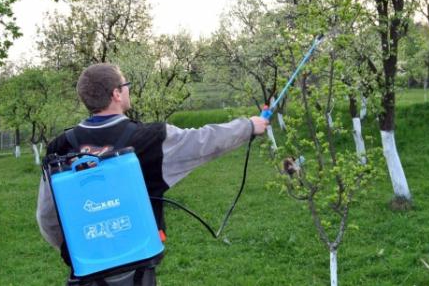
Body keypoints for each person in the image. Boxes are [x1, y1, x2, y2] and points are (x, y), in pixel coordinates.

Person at [36, 63, 268, 285]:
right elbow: (204, 141)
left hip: (86, 269)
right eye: (126, 85)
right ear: (116, 94)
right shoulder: (151, 139)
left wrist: (78, 249)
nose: (128, 90)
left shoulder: (59, 147)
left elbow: (46, 216)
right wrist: (249, 126)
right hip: (136, 265)